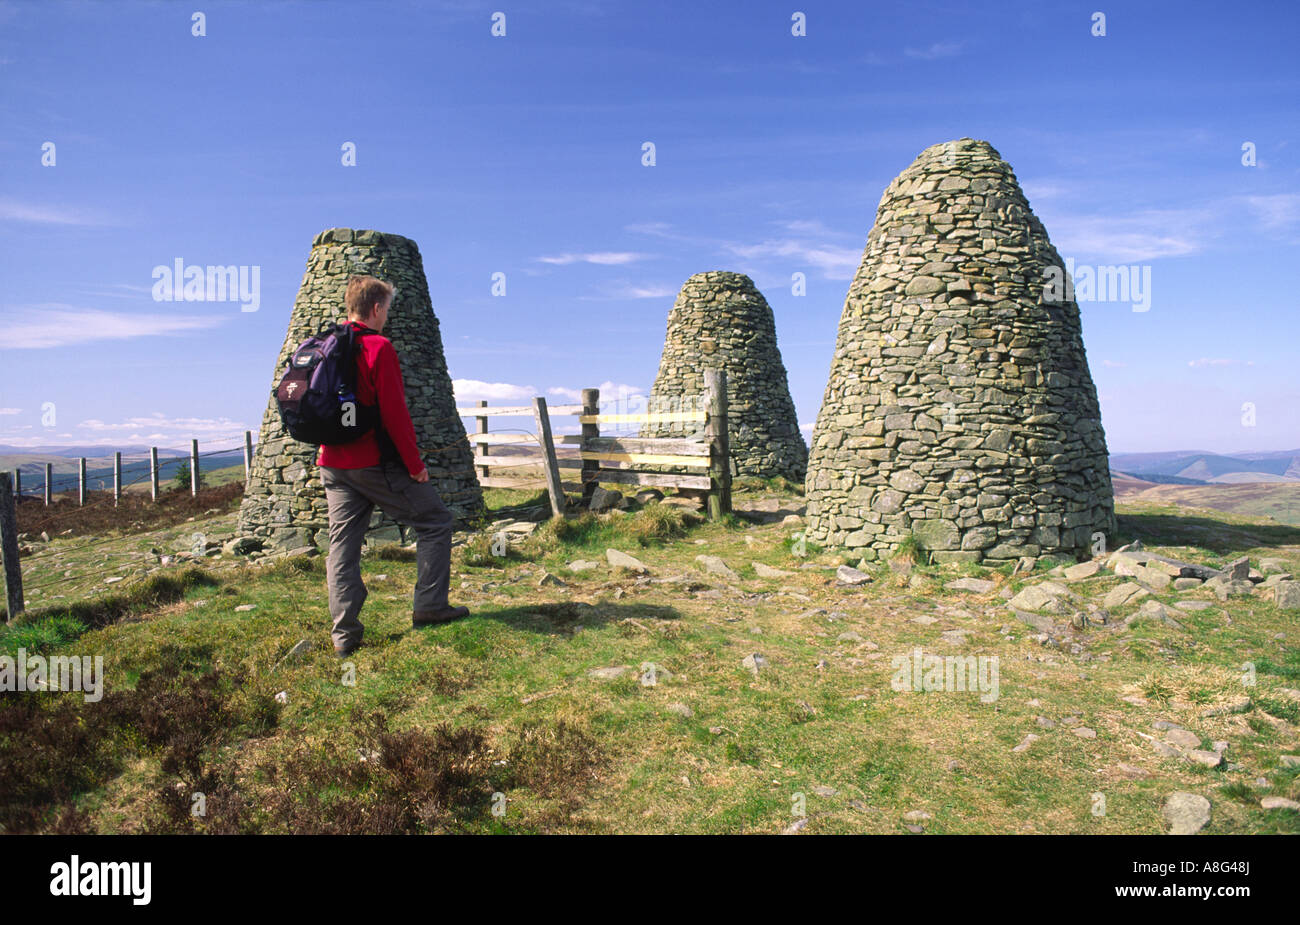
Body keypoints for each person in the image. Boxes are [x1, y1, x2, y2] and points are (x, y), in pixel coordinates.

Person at [317, 275, 468, 656]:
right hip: (373, 463)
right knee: (435, 521)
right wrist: (415, 466)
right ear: (378, 308)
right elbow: (396, 415)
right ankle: (430, 606)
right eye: (388, 308)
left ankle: (345, 637)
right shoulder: (378, 347)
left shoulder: (327, 344)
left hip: (332, 463)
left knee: (342, 548)